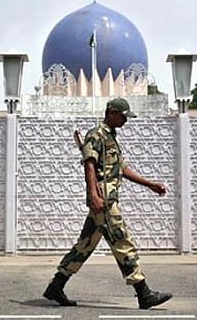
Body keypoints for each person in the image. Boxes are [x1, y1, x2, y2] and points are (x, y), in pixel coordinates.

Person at [43, 98, 173, 310]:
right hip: (103, 201)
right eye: (123, 116)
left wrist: (149, 184)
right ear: (111, 112)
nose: (125, 120)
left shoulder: (111, 138)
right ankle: (144, 293)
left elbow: (122, 169)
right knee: (122, 242)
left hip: (104, 199)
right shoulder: (96, 135)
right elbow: (89, 165)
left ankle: (56, 286)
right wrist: (93, 195)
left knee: (85, 245)